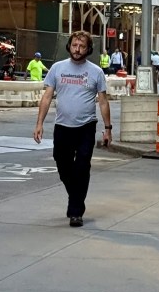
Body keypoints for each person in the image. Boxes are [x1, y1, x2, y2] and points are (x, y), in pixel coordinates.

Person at [33, 30, 112, 228]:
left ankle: (76, 211)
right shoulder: (57, 68)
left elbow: (103, 102)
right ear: (69, 46)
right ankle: (76, 197)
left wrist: (108, 128)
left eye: (82, 46)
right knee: (63, 166)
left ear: (88, 49)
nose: (78, 50)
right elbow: (47, 97)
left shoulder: (96, 72)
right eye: (75, 45)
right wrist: (39, 123)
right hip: (62, 126)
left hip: (86, 126)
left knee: (82, 167)